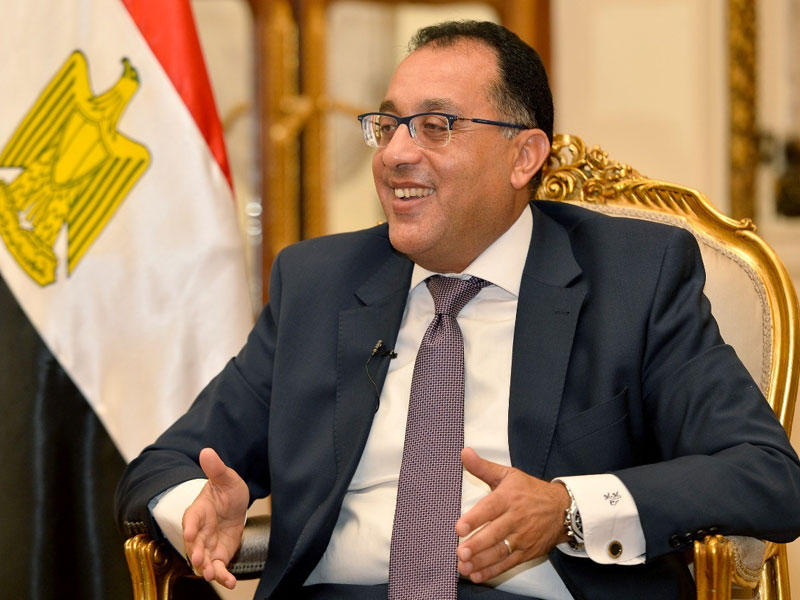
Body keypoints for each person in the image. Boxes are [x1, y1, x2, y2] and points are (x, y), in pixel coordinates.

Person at [115, 20, 800, 600]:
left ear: (524, 156)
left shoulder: (633, 278)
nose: (395, 154)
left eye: (435, 127)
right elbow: (161, 465)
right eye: (388, 125)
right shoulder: (319, 284)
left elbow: (767, 475)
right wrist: (196, 509)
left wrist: (568, 509)